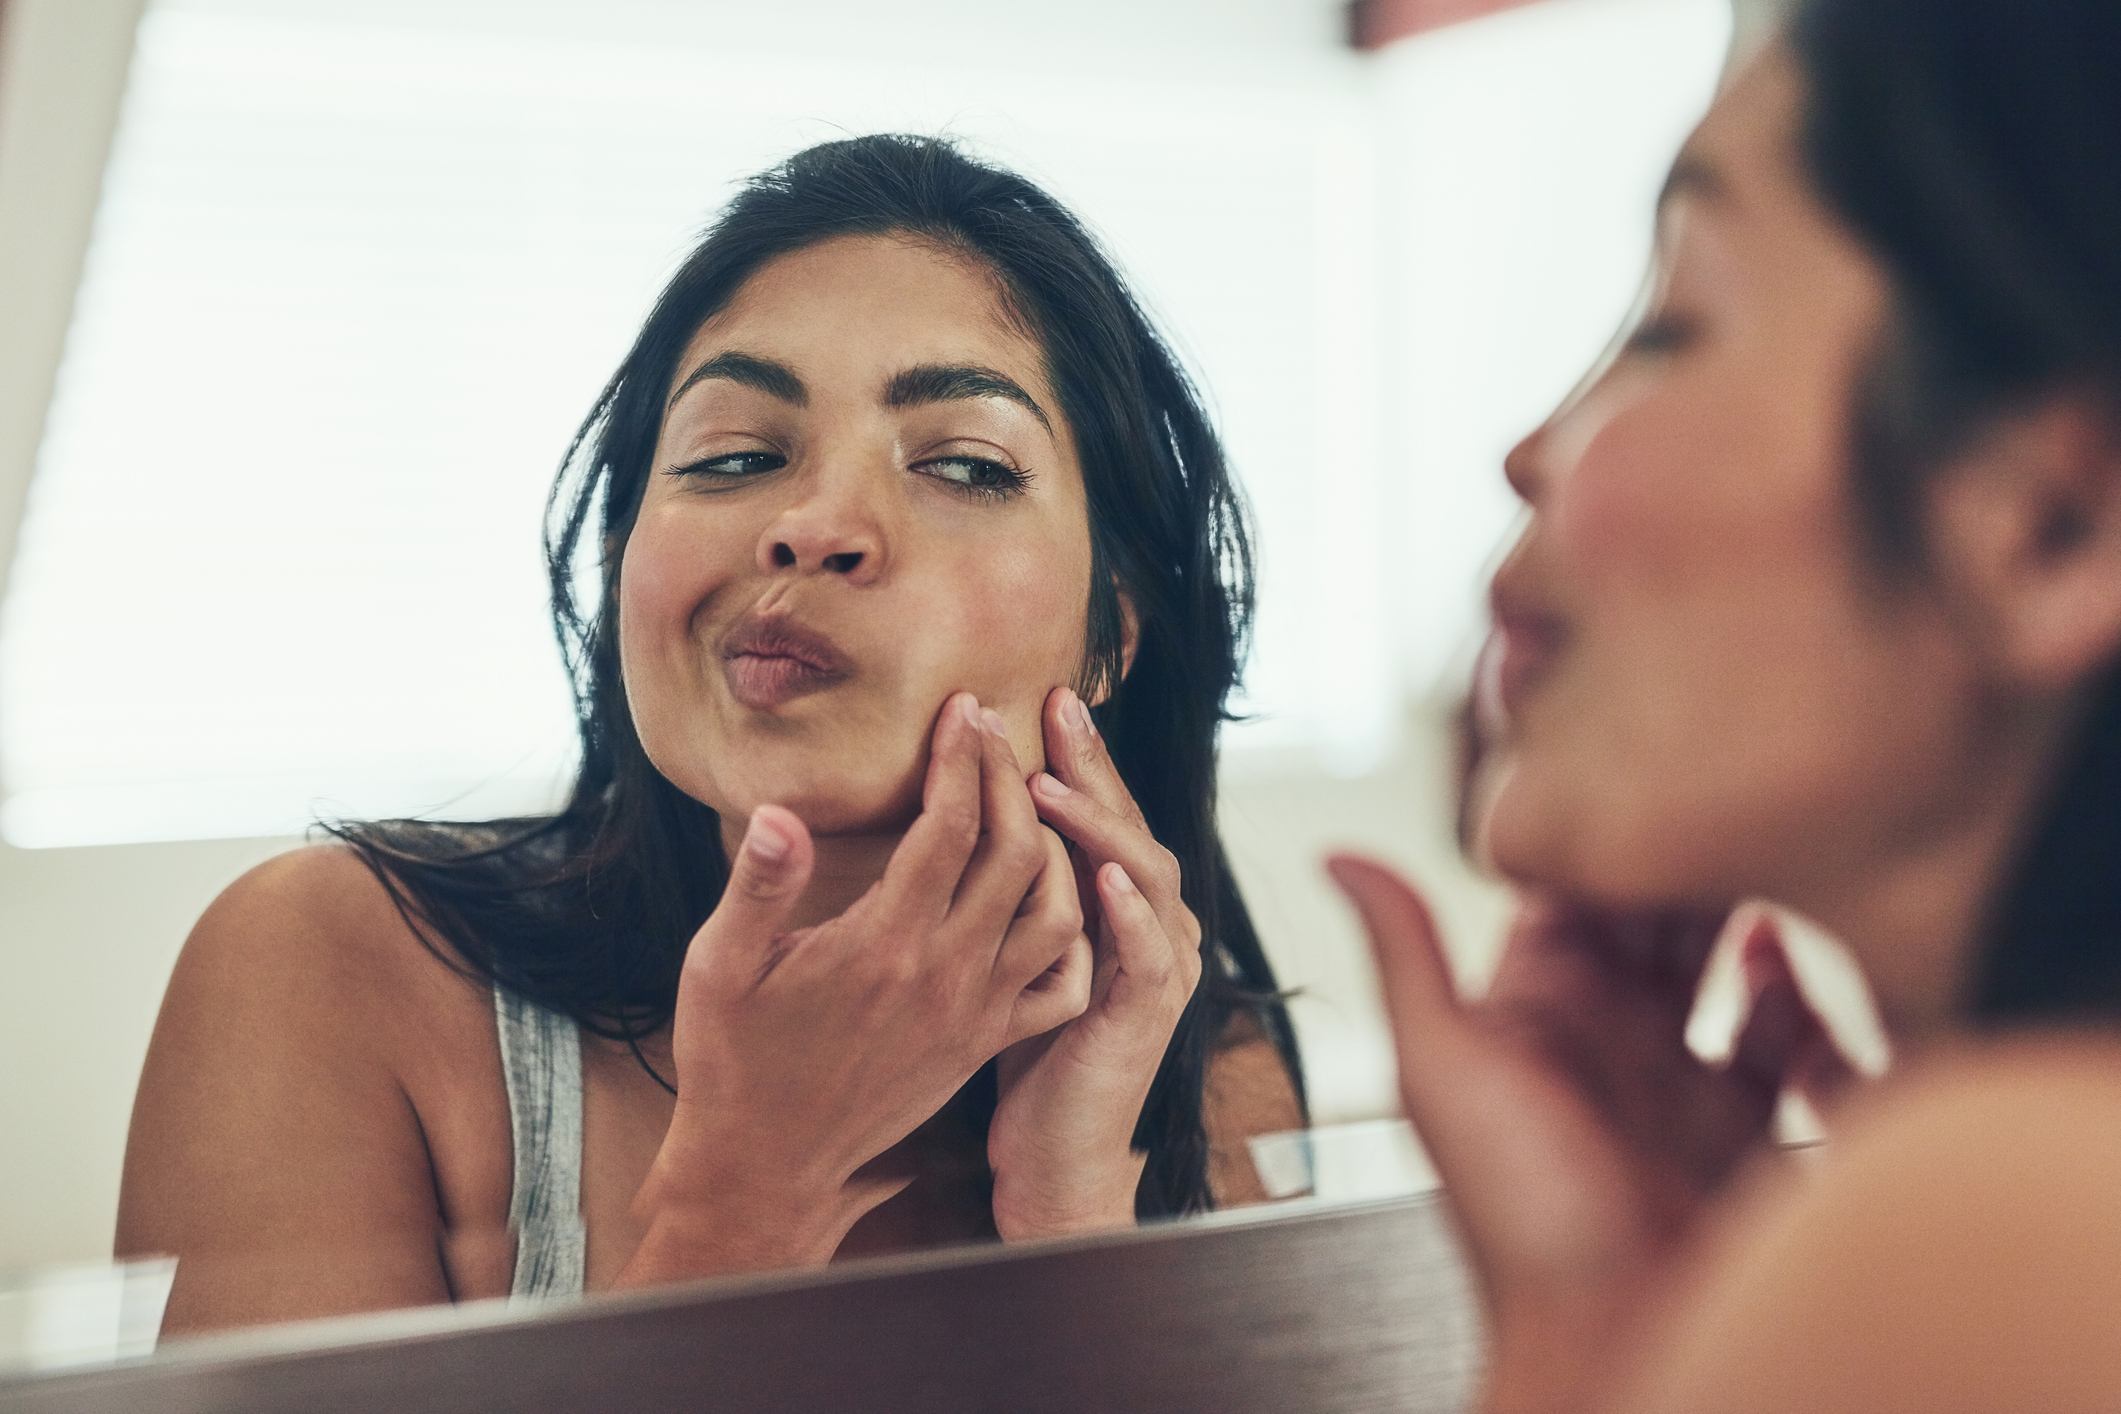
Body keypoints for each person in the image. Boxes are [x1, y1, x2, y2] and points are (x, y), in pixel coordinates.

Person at [117, 135, 1304, 1334]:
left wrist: (1073, 1221)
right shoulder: (332, 972)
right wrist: (743, 1196)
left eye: (962, 464)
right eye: (732, 457)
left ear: (1112, 632)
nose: (813, 524)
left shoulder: (1196, 1066)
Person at [1330, 1, 2121, 1409]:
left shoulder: (1979, 1229)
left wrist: (1579, 1349)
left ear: (2051, 523)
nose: (1528, 450)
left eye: (1672, 321)